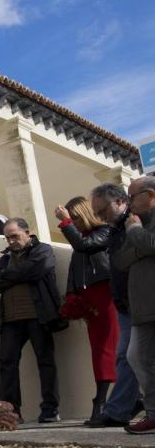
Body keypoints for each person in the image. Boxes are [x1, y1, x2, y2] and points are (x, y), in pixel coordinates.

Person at [0, 217, 62, 423]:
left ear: (27, 233)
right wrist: (21, 273)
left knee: (45, 362)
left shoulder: (43, 250)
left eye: (14, 236)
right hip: (10, 320)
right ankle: (12, 412)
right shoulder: (4, 259)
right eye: (7, 238)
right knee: (8, 364)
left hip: (38, 316)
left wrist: (8, 276)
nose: (10, 241)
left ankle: (50, 409)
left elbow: (37, 270)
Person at [54, 197, 118, 425]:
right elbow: (74, 269)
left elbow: (84, 247)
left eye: (78, 218)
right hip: (90, 299)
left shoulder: (105, 232)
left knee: (106, 350)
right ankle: (123, 400)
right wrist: (73, 297)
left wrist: (65, 223)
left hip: (105, 295)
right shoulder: (83, 239)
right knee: (101, 350)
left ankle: (100, 403)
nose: (76, 224)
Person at [87, 183, 143, 428]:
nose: (100, 217)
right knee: (127, 356)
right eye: (97, 214)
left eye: (103, 210)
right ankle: (121, 409)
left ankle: (122, 408)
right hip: (125, 301)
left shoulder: (137, 222)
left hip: (140, 299)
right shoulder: (116, 229)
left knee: (132, 356)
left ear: (120, 201)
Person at [111, 175, 155, 434]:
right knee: (136, 356)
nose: (128, 203)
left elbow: (150, 243)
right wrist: (142, 243)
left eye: (132, 196)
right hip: (142, 307)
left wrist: (137, 234)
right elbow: (120, 260)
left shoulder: (135, 225)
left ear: (150, 196)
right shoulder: (135, 224)